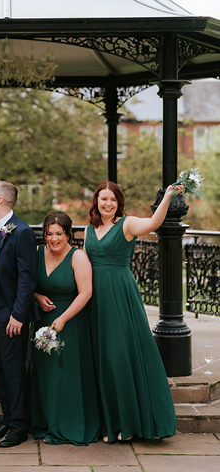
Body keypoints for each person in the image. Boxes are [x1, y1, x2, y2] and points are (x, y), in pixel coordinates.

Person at [85, 181, 182, 442]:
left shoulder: (126, 224)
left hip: (120, 296)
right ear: (96, 201)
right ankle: (110, 423)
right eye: (103, 199)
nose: (107, 203)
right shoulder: (88, 230)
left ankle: (129, 424)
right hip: (94, 300)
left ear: (119, 203)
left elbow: (152, 224)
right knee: (102, 360)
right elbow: (81, 265)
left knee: (120, 358)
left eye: (113, 200)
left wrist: (168, 197)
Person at [28, 211, 100, 445]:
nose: (54, 239)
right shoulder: (37, 253)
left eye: (59, 233)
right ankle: (46, 421)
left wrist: (63, 319)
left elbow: (86, 293)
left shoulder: (77, 257)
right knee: (45, 374)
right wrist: (37, 296)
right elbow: (28, 284)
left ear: (68, 234)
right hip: (42, 323)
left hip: (70, 322)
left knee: (65, 374)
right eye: (49, 234)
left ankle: (69, 425)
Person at [0, 181, 38, 447]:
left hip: (10, 315)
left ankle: (19, 426)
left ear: (1, 200)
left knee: (14, 370)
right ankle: (7, 419)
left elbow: (27, 278)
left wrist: (18, 314)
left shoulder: (22, 232)